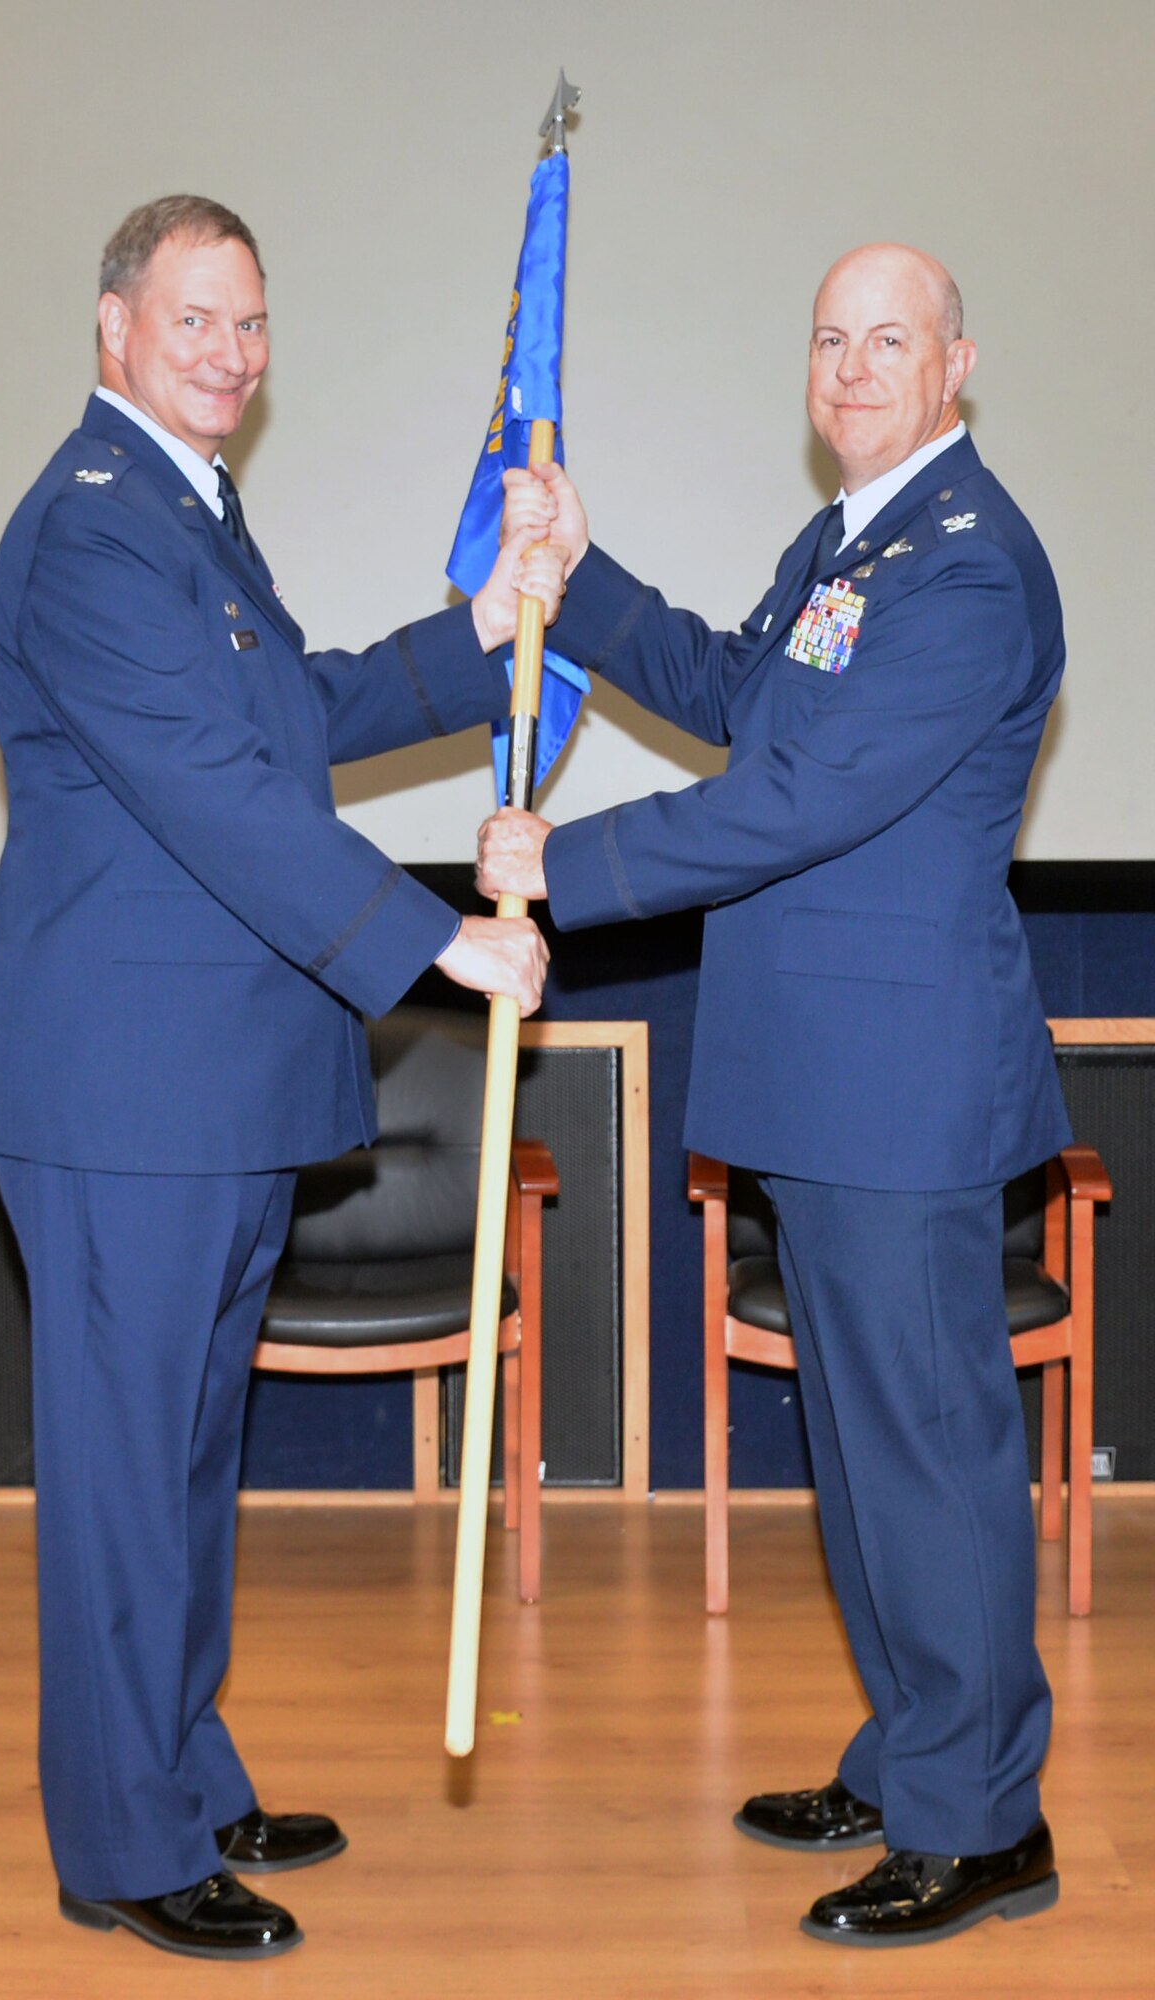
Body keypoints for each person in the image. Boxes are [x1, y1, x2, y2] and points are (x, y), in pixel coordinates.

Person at [0, 193, 563, 1963]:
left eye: (250, 322)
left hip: (200, 1093)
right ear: (112, 326)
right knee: (125, 1478)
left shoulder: (184, 515)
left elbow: (282, 715)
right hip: (128, 1103)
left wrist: (479, 633)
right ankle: (125, 1845)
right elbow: (215, 796)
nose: (228, 352)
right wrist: (436, 938)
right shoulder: (91, 532)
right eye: (193, 319)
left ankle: (183, 1763)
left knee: (183, 1465)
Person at [478, 242, 1070, 1948]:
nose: (856, 365)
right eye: (832, 338)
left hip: (901, 1084)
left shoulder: (965, 567)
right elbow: (748, 692)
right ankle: (910, 1754)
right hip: (827, 1079)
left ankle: (984, 1822)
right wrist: (580, 583)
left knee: (933, 1454)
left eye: (893, 339)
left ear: (961, 363)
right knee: (869, 1451)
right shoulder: (855, 541)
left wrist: (563, 859)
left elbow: (798, 798)